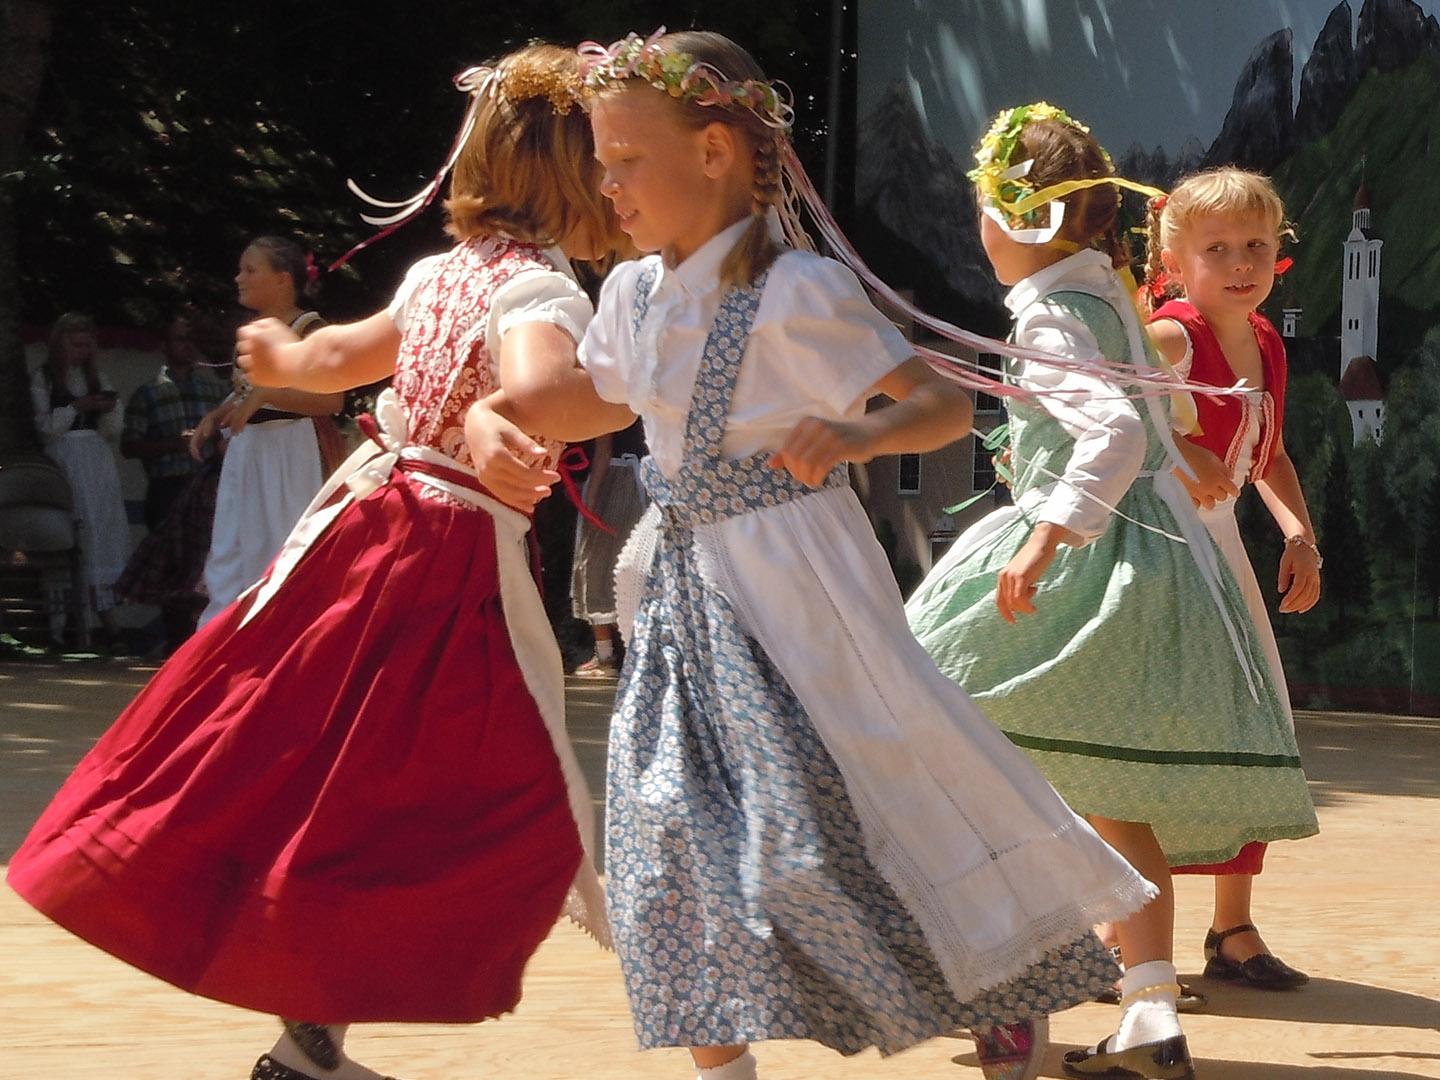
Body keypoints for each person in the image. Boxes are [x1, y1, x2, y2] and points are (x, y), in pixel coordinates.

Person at [467, 32, 1154, 1080]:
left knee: (879, 798)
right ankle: (726, 1064)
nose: (604, 184)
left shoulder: (797, 293)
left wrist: (860, 435)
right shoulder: (633, 297)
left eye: (624, 159)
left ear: (712, 153)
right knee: (665, 839)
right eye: (599, 161)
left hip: (797, 588)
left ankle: (1006, 978)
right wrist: (489, 419)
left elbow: (938, 403)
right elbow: (591, 395)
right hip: (682, 595)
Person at [8, 44, 620, 1080]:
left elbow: (339, 357)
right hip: (442, 559)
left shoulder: (437, 274)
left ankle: (308, 1041)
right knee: (458, 792)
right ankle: (321, 1031)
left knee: (321, 773)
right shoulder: (545, 295)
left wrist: (284, 359)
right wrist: (636, 388)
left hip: (361, 537)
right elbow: (543, 384)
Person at [904, 104, 1318, 1078]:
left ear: (1020, 219)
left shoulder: (1059, 306)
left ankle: (1019, 977)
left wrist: (1049, 533)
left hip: (1090, 562)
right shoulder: (1110, 297)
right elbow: (1148, 417)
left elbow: (1116, 432)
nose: (983, 233)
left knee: (946, 729)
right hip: (1157, 554)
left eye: (985, 213)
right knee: (1109, 794)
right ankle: (1145, 1008)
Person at [1141, 167, 1319, 991]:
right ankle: (1127, 939)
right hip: (1156, 553)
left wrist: (1299, 534)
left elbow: (1269, 454)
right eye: (1218, 248)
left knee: (1247, 729)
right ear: (1176, 260)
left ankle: (1233, 929)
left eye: (1256, 244)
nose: (1241, 261)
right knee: (1154, 734)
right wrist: (1180, 447)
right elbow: (1110, 420)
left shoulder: (1269, 343)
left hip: (1222, 553)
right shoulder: (1172, 336)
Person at [190, 236, 342, 626]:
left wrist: (263, 397)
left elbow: (330, 401)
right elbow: (245, 391)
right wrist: (220, 413)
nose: (239, 278)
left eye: (251, 270)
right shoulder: (253, 332)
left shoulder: (308, 328)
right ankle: (222, 636)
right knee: (232, 548)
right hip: (250, 450)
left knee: (280, 545)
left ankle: (278, 636)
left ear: (282, 279)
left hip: (289, 450)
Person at [118, 311, 230, 651]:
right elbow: (129, 445)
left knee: (204, 563)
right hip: (166, 485)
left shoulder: (215, 389)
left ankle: (203, 641)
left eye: (190, 340)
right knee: (169, 567)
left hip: (206, 486)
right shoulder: (148, 393)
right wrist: (174, 443)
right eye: (179, 339)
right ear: (165, 346)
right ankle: (175, 644)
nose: (186, 347)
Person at [29, 311, 131, 648]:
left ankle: (106, 622)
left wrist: (105, 408)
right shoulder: (45, 378)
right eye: (75, 345)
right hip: (66, 459)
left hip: (96, 460)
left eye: (87, 345)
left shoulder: (96, 376)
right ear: (61, 344)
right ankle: (66, 627)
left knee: (101, 533)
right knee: (75, 532)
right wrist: (77, 407)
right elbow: (45, 428)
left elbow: (112, 431)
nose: (81, 352)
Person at [570, 418, 648, 677]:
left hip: (617, 480)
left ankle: (606, 656)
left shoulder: (611, 398)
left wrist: (592, 496)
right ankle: (635, 652)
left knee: (597, 562)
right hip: (650, 481)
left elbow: (603, 450)